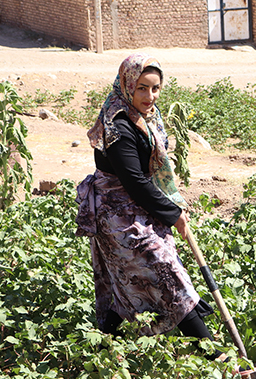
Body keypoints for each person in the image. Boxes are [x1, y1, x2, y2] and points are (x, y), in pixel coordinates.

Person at [75, 53, 222, 360]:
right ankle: (213, 356)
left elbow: (150, 175)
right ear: (128, 85)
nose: (150, 96)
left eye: (155, 89)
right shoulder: (118, 125)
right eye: (142, 88)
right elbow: (134, 181)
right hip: (118, 216)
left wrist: (169, 206)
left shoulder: (146, 116)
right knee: (164, 270)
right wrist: (173, 214)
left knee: (126, 280)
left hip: (137, 206)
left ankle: (105, 348)